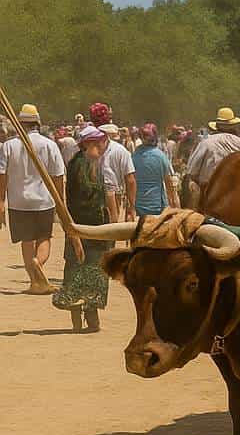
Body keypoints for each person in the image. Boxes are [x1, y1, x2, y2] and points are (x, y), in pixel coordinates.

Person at [0, 103, 66, 294]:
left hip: (18, 201)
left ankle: (33, 281)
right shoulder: (49, 144)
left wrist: (1, 201)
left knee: (26, 241)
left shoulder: (9, 146)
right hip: (44, 200)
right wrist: (60, 199)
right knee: (44, 237)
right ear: (37, 122)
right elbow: (58, 175)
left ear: (20, 123)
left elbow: (2, 174)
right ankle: (38, 262)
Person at [52, 126, 112, 332]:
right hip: (85, 228)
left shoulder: (89, 162)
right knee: (81, 270)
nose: (102, 147)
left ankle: (89, 321)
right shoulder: (81, 164)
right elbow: (86, 197)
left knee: (89, 271)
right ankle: (81, 322)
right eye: (98, 143)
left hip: (91, 230)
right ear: (88, 144)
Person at [184, 107, 240, 205]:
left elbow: (192, 170)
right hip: (234, 193)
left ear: (217, 125)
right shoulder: (239, 142)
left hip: (209, 194)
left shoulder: (207, 142)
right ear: (233, 125)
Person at [130, 124, 176, 217]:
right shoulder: (161, 156)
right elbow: (169, 184)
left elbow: (131, 179)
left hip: (139, 207)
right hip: (157, 207)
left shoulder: (134, 155)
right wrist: (173, 205)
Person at [98, 123, 137, 223]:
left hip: (113, 194)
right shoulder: (121, 151)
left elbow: (130, 179)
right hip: (97, 193)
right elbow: (130, 179)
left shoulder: (121, 150)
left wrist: (131, 206)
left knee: (111, 224)